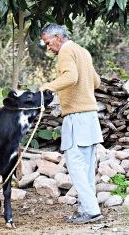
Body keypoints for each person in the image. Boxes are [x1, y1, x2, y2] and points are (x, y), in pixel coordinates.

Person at [40, 23, 104, 224]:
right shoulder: (82, 51)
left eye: (48, 42)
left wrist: (47, 87)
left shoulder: (66, 51)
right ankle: (86, 208)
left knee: (75, 166)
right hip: (90, 116)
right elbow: (96, 82)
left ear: (58, 37)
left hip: (77, 117)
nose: (48, 48)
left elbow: (71, 76)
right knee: (85, 168)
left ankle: (92, 211)